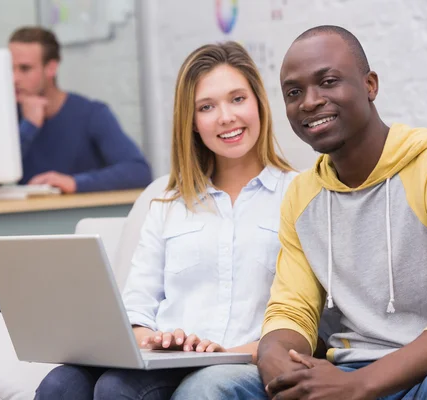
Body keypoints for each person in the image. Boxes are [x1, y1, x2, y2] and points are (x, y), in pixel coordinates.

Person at [35, 41, 297, 400]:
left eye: (238, 99)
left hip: (240, 361)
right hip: (168, 360)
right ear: (191, 122)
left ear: (259, 104)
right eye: (207, 107)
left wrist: (231, 351)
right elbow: (136, 310)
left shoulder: (296, 194)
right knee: (60, 384)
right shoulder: (169, 204)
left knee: (117, 389)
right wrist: (158, 340)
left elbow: (306, 318)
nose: (226, 117)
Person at [248, 25, 427, 399]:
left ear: (370, 85)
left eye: (327, 81)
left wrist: (358, 386)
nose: (309, 101)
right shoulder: (302, 196)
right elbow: (291, 309)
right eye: (294, 92)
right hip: (346, 370)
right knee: (215, 385)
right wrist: (276, 358)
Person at [0, 26, 152, 320]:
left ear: (51, 68)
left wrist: (74, 182)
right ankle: (20, 346)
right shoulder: (8, 119)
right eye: (9, 69)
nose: (14, 78)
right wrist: (29, 127)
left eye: (25, 68)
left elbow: (138, 170)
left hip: (75, 247)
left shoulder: (91, 114)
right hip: (22, 243)